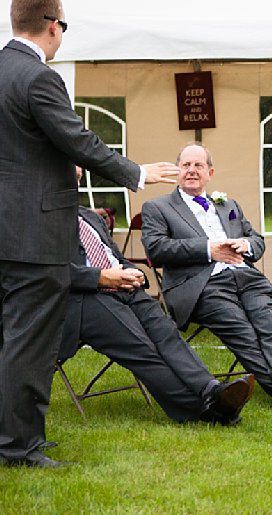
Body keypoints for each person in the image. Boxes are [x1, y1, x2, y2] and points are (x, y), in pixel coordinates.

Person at [0, 0, 179, 468]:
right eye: (63, 27)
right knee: (29, 343)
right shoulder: (39, 76)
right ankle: (18, 447)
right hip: (34, 235)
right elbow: (77, 140)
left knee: (11, 338)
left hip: (7, 231)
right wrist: (137, 173)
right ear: (52, 25)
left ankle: (18, 437)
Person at [141, 143, 272, 409]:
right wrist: (209, 250)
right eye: (186, 165)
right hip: (202, 285)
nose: (192, 170)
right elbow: (156, 249)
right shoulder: (158, 207)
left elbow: (257, 240)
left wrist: (246, 244)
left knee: (269, 323)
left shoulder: (228, 204)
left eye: (198, 165)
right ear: (177, 171)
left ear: (210, 173)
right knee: (242, 331)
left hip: (246, 277)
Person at [59, 171, 254, 425]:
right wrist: (100, 277)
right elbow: (43, 273)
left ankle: (211, 389)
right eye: (67, 174)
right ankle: (203, 410)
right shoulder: (38, 221)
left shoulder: (89, 217)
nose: (73, 182)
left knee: (167, 333)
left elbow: (114, 256)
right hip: (82, 298)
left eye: (77, 177)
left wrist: (136, 273)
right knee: (142, 346)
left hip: (124, 289)